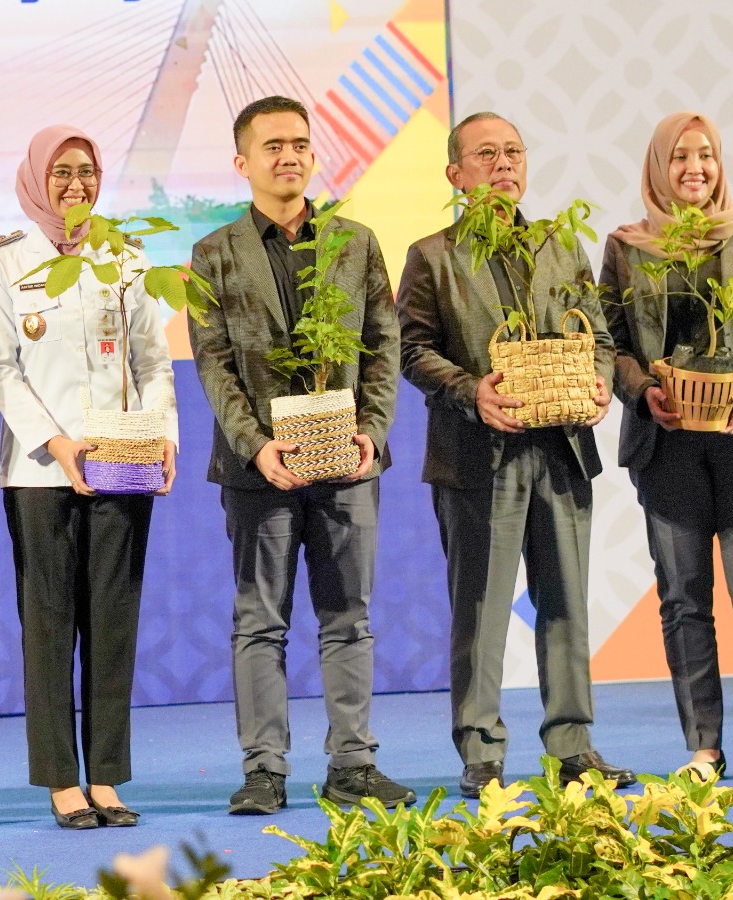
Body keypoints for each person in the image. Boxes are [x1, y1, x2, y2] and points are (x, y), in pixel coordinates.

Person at [396, 111, 634, 799]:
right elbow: (412, 351)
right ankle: (481, 751)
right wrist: (473, 392)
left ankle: (573, 747)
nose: (503, 164)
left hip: (561, 450)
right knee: (482, 608)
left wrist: (597, 382)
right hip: (478, 456)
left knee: (566, 605)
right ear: (455, 174)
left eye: (513, 152)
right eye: (486, 154)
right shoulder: (431, 255)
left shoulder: (562, 246)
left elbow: (600, 338)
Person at [189, 96, 411, 815]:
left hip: (347, 463)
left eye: (299, 144)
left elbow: (384, 348)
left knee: (350, 614)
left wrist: (371, 433)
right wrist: (256, 447)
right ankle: (264, 769)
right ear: (242, 163)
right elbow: (213, 365)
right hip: (260, 471)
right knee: (259, 619)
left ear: (314, 155)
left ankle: (353, 764)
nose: (289, 156)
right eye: (273, 146)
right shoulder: (213, 255)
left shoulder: (357, 243)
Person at [0, 125, 175, 829]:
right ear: (36, 178)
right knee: (51, 626)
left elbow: (153, 359)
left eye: (86, 172)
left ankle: (110, 777)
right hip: (40, 473)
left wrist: (161, 435)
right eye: (61, 172)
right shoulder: (5, 264)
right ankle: (62, 779)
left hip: (123, 464)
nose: (75, 185)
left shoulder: (124, 257)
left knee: (114, 624)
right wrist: (59, 447)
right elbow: (1, 370)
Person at [599, 111, 733, 783]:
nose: (695, 168)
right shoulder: (627, 247)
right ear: (658, 167)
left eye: (707, 155)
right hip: (668, 446)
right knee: (684, 600)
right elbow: (609, 342)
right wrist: (640, 392)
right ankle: (704, 750)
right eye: (681, 156)